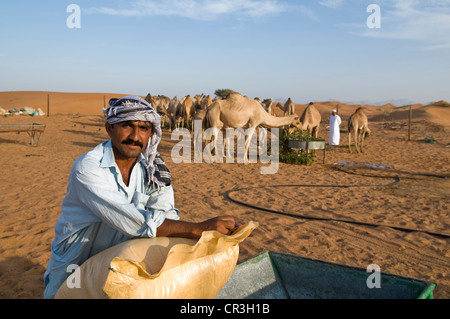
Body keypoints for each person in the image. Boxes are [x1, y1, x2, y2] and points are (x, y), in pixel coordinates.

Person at [43, 96, 238, 299]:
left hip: (119, 261)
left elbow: (165, 213)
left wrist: (212, 235)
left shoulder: (154, 168)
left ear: (151, 133)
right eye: (127, 126)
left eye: (144, 128)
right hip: (76, 263)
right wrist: (200, 229)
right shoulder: (88, 167)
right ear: (109, 128)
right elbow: (132, 221)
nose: (135, 136)